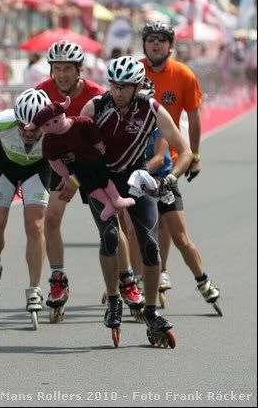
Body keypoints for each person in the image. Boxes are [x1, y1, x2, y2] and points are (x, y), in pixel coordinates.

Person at [80, 55, 192, 347]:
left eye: (124, 87)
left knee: (150, 245)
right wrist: (74, 177)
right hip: (101, 181)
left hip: (134, 179)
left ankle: (152, 312)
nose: (117, 92)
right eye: (114, 86)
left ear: (138, 86)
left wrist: (168, 179)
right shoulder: (95, 107)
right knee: (110, 237)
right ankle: (114, 300)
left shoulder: (153, 109)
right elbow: (75, 146)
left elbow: (185, 151)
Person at [35, 40, 145, 320]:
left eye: (67, 69)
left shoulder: (97, 95)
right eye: (57, 69)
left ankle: (127, 280)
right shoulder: (41, 93)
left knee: (113, 223)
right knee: (51, 217)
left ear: (79, 70)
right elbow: (31, 128)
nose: (61, 75)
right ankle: (58, 278)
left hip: (92, 167)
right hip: (60, 165)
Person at [137, 23, 221, 312]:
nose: (156, 45)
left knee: (168, 225)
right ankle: (136, 275)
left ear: (170, 45)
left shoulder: (183, 74)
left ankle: (162, 271)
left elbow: (194, 118)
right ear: (144, 45)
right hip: (136, 155)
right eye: (151, 40)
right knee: (143, 224)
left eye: (161, 40)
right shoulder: (134, 71)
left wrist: (195, 154)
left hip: (168, 156)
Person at [0, 89, 52, 327]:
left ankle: (34, 288)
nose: (29, 133)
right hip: (5, 165)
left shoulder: (56, 128)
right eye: (23, 127)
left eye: (34, 129)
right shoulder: (2, 122)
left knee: (35, 226)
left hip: (38, 168)